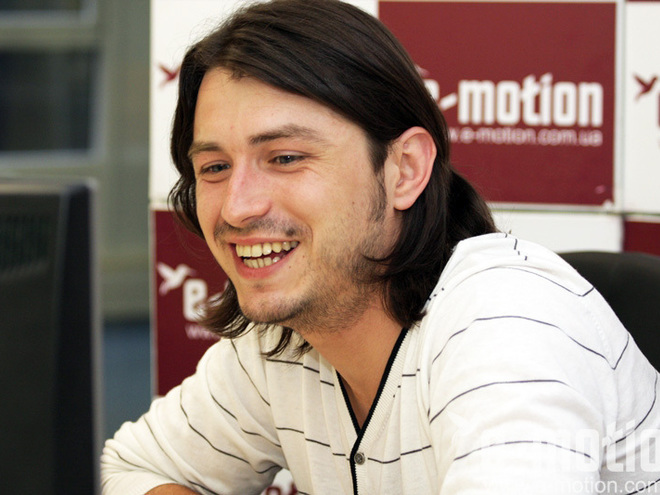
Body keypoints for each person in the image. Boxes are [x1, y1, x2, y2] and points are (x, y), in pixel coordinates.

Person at [102, 0, 660, 493]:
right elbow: (123, 470)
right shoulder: (280, 339)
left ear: (404, 169)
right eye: (214, 167)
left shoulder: (506, 322)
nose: (236, 207)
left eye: (286, 158)